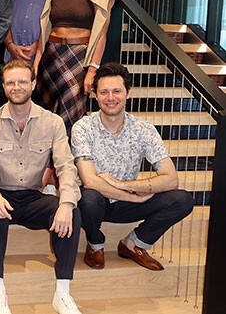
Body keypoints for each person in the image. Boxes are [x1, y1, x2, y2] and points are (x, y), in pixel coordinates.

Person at [0, 59, 82, 314]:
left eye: (23, 81)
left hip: (34, 197)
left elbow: (66, 166)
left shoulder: (53, 122)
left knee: (72, 212)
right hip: (2, 195)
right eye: (11, 82)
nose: (17, 87)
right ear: (4, 86)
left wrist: (66, 203)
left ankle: (63, 293)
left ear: (33, 84)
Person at [72, 63, 194, 270]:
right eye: (104, 92)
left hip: (128, 203)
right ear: (96, 95)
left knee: (182, 199)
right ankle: (95, 244)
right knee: (88, 198)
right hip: (96, 203)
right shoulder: (83, 128)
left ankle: (134, 243)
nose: (111, 98)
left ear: (128, 92)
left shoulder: (144, 129)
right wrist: (129, 194)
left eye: (117, 91)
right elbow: (90, 180)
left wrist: (124, 185)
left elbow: (171, 178)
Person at [33, 0, 115, 135]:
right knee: (45, 116)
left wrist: (92, 70)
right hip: (50, 57)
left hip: (78, 58)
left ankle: (69, 164)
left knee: (71, 117)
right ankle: (47, 165)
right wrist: (35, 65)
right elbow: (44, 32)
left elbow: (102, 33)